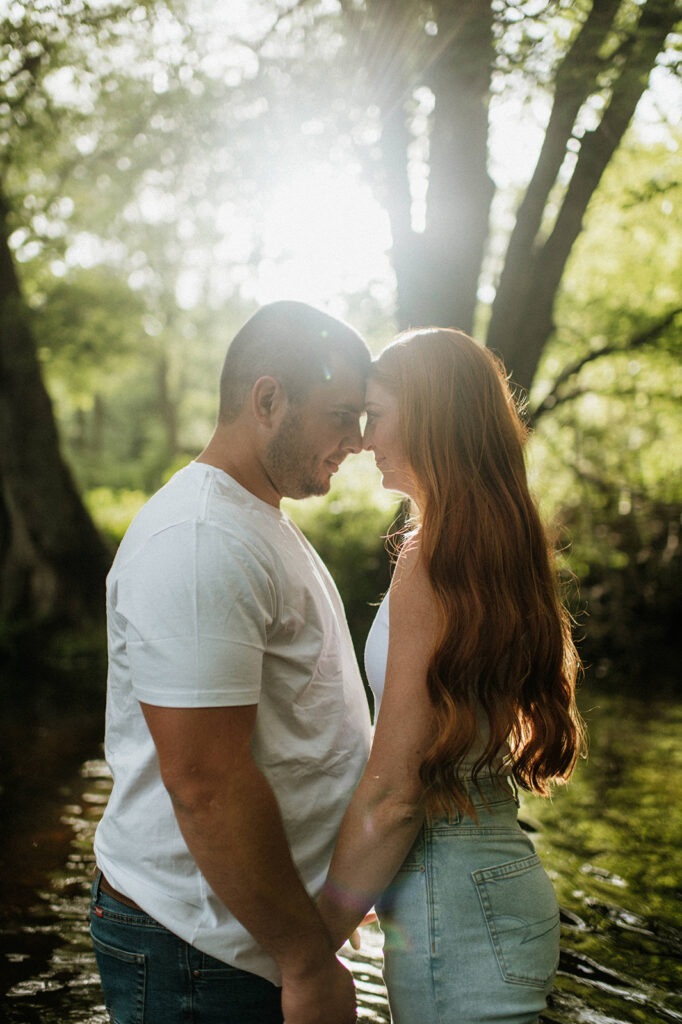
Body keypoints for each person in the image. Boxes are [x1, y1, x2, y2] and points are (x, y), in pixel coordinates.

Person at [90, 300, 373, 1024]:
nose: (360, 440)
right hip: (199, 953)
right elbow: (205, 784)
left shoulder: (255, 519)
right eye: (343, 413)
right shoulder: (199, 538)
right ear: (269, 399)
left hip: (251, 936)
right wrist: (305, 960)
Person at [317, 327, 585, 1024]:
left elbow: (397, 792)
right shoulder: (497, 545)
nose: (366, 439)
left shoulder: (431, 558)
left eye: (377, 414)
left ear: (430, 415)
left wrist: (314, 941)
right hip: (500, 885)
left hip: (456, 905)